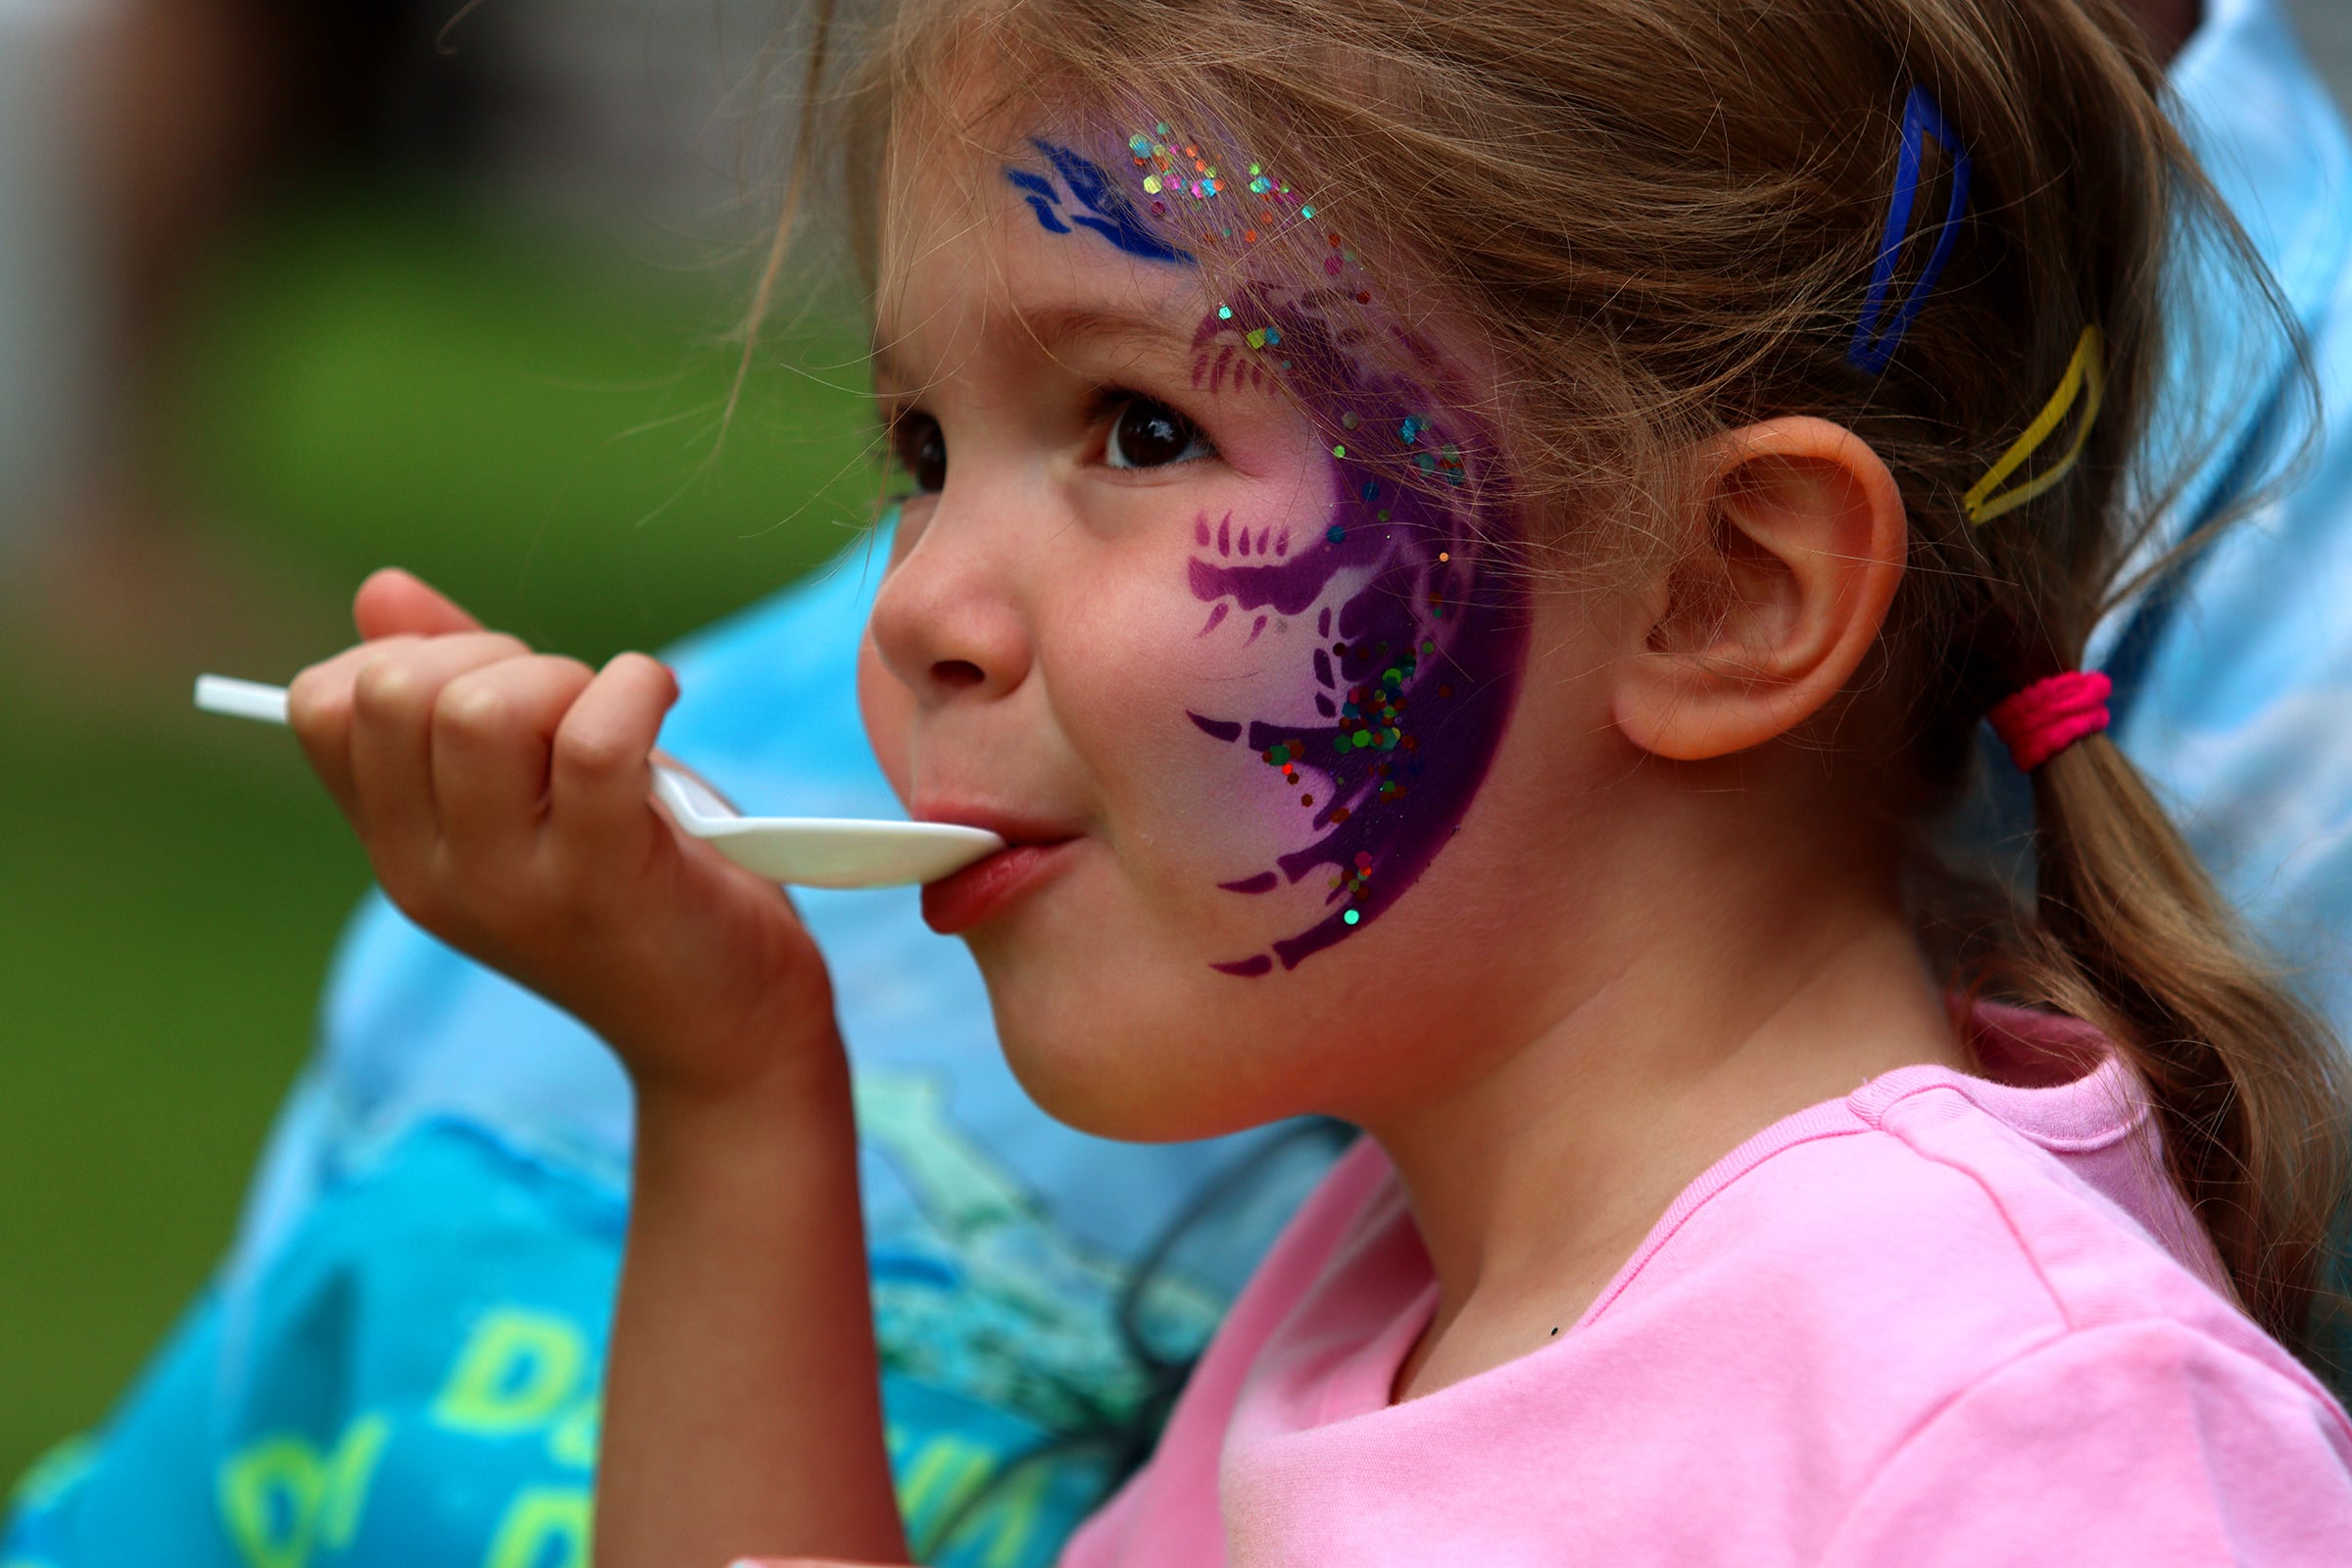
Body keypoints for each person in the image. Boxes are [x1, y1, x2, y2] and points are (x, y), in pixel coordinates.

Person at [10, 0, 2352, 1564]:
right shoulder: (1375, 1302)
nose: (917, 600)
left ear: (1723, 589)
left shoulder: (2021, 1426)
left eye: (1135, 428)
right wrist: (723, 1069)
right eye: (924, 448)